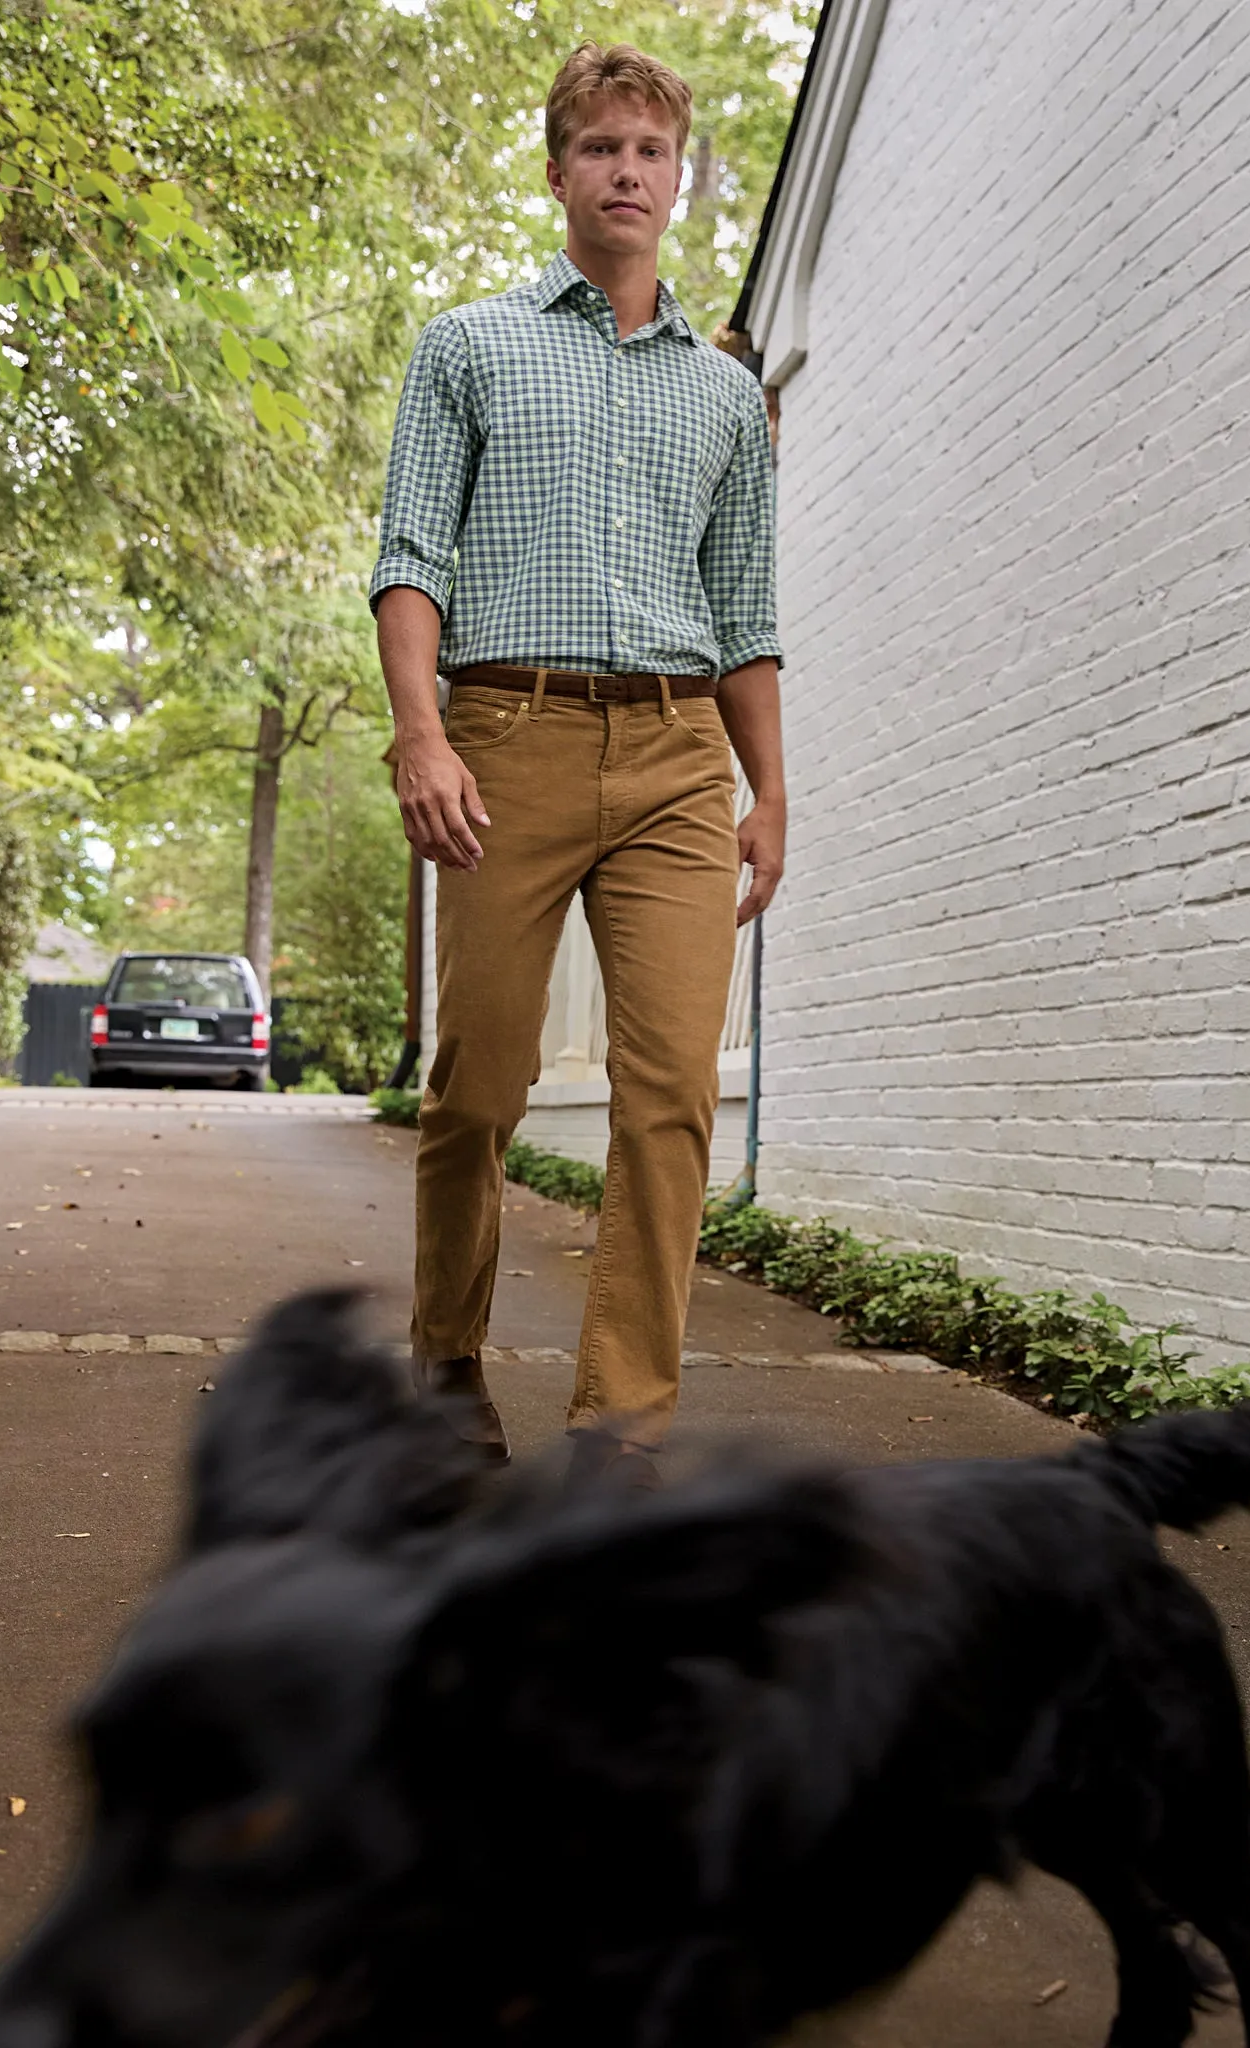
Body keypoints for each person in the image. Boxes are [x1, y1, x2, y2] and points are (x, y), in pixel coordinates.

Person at [371, 41, 785, 1489]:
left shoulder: (727, 399)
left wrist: (767, 790)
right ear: (556, 172)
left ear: (679, 181)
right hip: (505, 737)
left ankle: (618, 1433)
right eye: (599, 147)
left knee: (666, 1092)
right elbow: (410, 557)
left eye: (649, 152)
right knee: (478, 1084)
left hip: (677, 757)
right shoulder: (468, 346)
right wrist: (419, 732)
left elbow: (745, 614)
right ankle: (443, 1371)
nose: (626, 172)